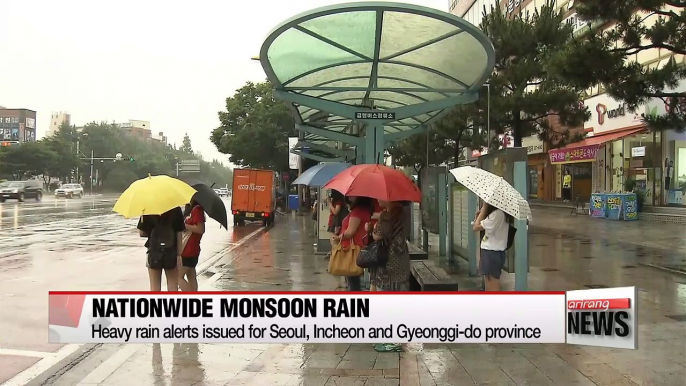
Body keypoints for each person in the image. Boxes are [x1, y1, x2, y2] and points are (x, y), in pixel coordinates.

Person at [366, 200, 409, 352]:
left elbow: (378, 236)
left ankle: (392, 341)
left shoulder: (388, 215)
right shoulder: (402, 214)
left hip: (389, 264)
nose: (378, 199)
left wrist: (372, 228)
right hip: (400, 261)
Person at [138, 206, 185, 291]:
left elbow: (142, 233)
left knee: (154, 288)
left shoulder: (148, 209)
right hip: (171, 251)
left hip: (154, 251)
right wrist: (179, 255)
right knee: (173, 286)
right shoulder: (176, 209)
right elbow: (179, 234)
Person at [332, 196, 373, 291]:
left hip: (352, 249)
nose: (349, 196)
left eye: (353, 194)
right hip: (359, 247)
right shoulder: (364, 211)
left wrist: (338, 237)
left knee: (353, 282)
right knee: (355, 281)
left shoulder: (357, 212)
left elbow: (350, 232)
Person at [472, 203, 511, 291]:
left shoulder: (497, 214)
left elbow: (475, 227)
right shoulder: (500, 214)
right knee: (490, 284)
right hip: (494, 253)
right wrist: (480, 215)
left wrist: (484, 208)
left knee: (491, 286)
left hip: (491, 253)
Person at [180, 200, 205, 291]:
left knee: (177, 277)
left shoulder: (197, 209)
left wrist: (184, 225)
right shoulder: (190, 209)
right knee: (191, 275)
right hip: (190, 248)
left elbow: (200, 229)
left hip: (189, 249)